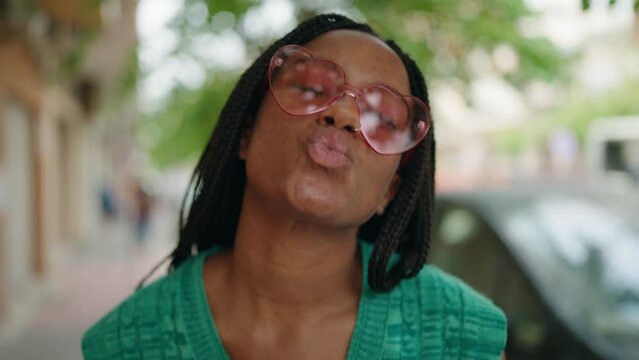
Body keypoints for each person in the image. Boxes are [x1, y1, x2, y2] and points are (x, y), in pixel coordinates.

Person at [82, 14, 507, 359]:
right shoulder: (126, 344)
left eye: (382, 120)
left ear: (390, 192)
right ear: (245, 135)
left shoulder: (463, 337)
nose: (344, 114)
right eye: (311, 88)